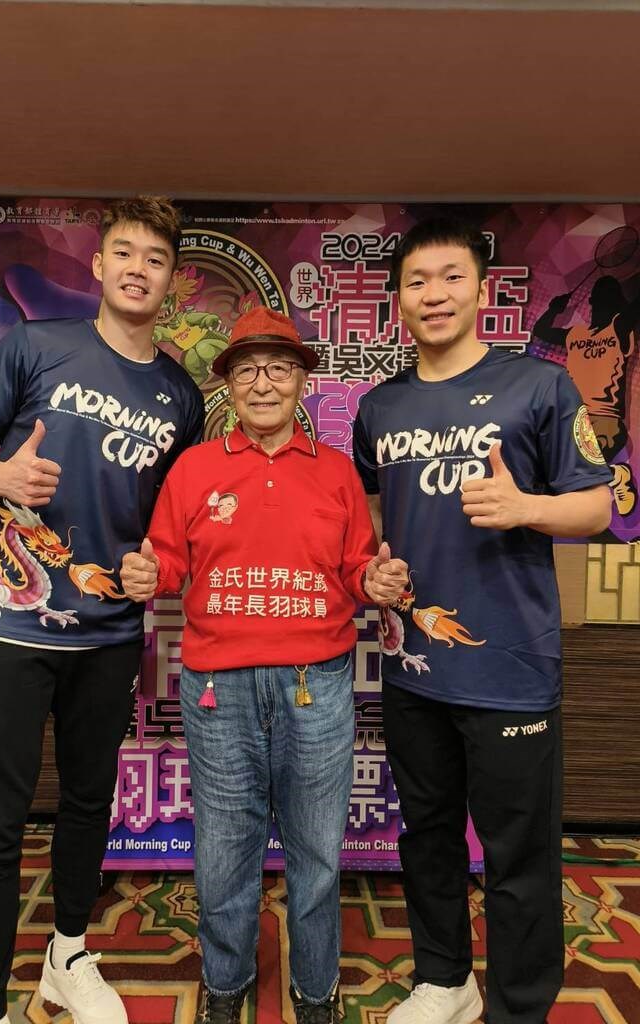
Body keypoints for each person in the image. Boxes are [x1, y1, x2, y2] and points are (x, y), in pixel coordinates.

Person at [0, 197, 204, 1024]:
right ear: (97, 266)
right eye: (122, 252)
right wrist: (0, 479)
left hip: (107, 637)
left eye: (154, 258)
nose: (136, 267)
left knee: (90, 803)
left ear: (169, 279)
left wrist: (153, 565)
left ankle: (67, 953)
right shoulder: (33, 346)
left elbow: (170, 525)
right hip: (3, 626)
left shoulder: (179, 394)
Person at [352, 217, 613, 1024]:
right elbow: (372, 518)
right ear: (397, 300)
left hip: (511, 667)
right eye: (418, 281)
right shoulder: (378, 406)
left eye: (451, 277)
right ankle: (444, 978)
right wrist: (377, 569)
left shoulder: (538, 387)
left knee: (517, 856)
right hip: (414, 667)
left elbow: (601, 504)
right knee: (425, 835)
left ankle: (519, 1003)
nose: (434, 295)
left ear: (481, 291)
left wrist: (527, 506)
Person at [120, 306, 408, 1024]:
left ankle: (316, 992)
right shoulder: (194, 470)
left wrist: (371, 581)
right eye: (246, 369)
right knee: (224, 850)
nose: (263, 383)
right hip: (218, 689)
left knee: (316, 851)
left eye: (279, 367)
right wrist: (145, 572)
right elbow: (169, 559)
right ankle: (226, 983)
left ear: (303, 381)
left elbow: (354, 566)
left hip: (319, 683)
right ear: (230, 385)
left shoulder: (337, 472)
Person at [533, 272, 640, 516]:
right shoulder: (575, 334)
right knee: (562, 473)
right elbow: (541, 329)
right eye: (597, 299)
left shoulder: (619, 329)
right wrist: (554, 309)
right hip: (574, 417)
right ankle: (613, 475)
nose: (599, 304)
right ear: (591, 303)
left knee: (582, 467)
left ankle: (616, 476)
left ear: (617, 303)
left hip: (606, 420)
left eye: (606, 299)